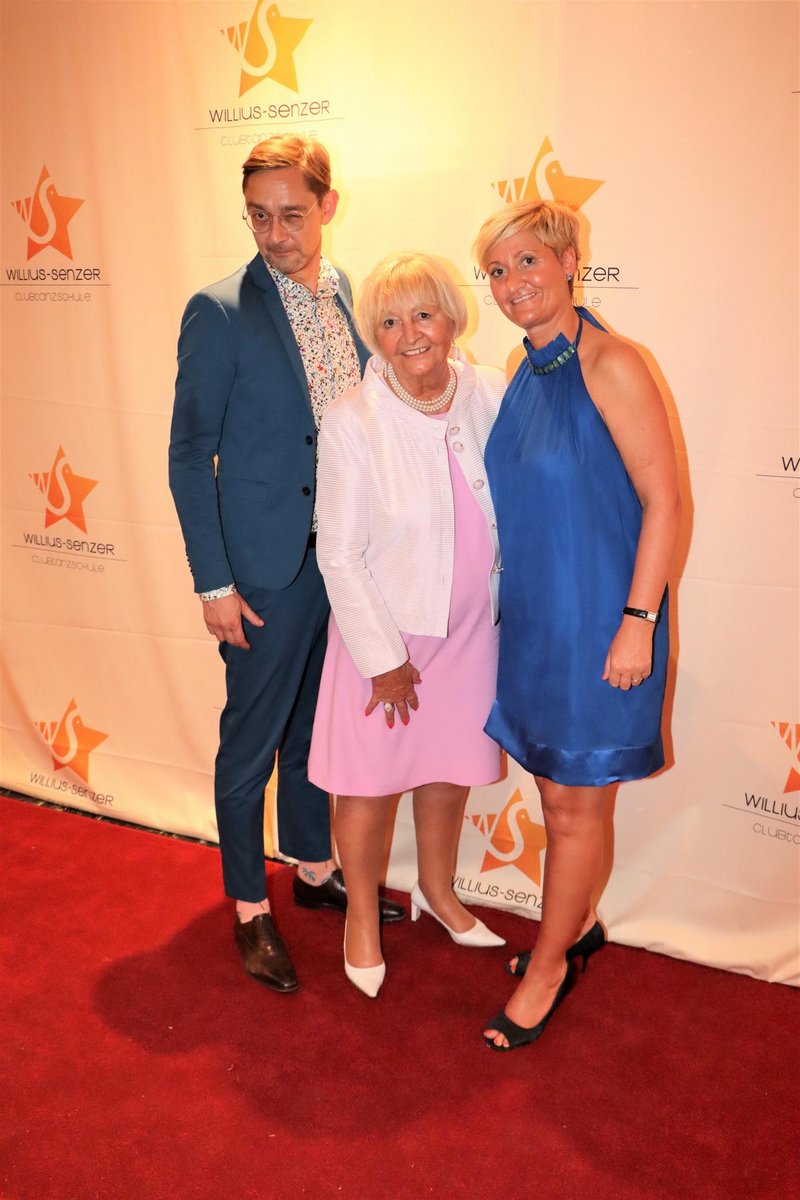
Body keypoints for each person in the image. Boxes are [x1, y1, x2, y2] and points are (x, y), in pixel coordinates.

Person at [168, 135, 404, 996]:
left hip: (345, 564)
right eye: (259, 217)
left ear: (328, 207)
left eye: (292, 215)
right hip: (268, 570)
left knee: (315, 731)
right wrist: (214, 583)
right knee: (252, 743)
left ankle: (311, 866)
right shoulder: (218, 310)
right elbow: (189, 454)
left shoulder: (349, 295)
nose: (275, 234)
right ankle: (247, 906)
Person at [474, 200, 681, 1050]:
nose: (512, 282)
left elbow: (665, 502)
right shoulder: (521, 369)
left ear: (568, 262)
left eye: (528, 261)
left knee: (571, 809)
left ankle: (551, 965)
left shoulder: (613, 363)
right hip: (536, 623)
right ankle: (579, 925)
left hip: (601, 621)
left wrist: (637, 623)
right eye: (496, 271)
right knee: (555, 795)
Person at [308, 253, 507, 997]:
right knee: (367, 785)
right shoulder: (353, 420)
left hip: (472, 635)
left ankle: (438, 890)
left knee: (449, 770)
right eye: (389, 322)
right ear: (375, 337)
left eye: (423, 314)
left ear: (451, 319)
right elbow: (338, 553)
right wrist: (382, 658)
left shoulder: (487, 391)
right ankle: (361, 916)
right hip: (389, 640)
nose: (410, 333)